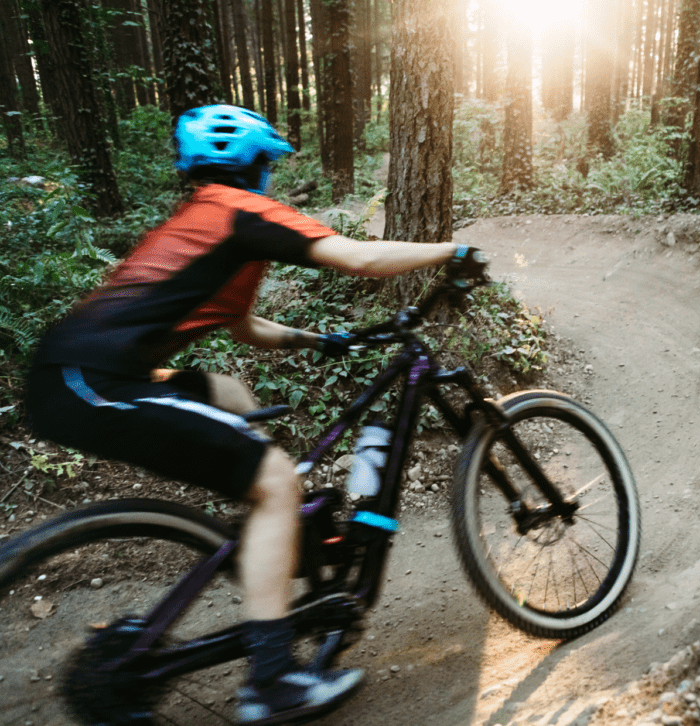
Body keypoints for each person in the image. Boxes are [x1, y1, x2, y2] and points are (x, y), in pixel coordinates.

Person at [25, 104, 483, 725]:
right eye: (269, 163)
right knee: (273, 479)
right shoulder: (240, 209)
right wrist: (452, 250)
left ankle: (273, 527)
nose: (272, 175)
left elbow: (243, 324)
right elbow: (359, 257)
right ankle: (271, 682)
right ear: (255, 165)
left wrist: (319, 341)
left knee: (231, 394)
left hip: (82, 374)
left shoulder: (206, 219)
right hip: (90, 379)